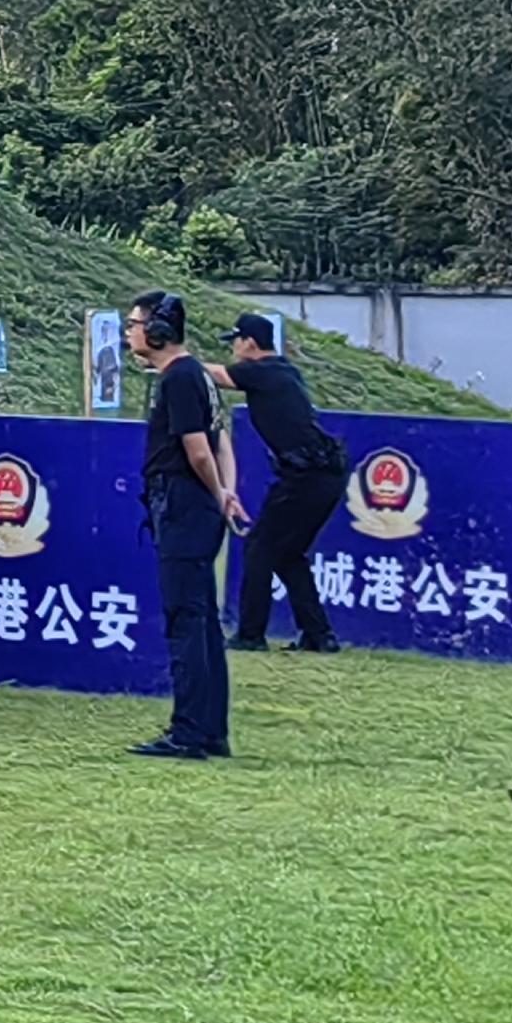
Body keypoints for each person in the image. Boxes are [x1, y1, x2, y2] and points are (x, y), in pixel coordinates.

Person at [127, 291, 247, 758]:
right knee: (202, 620)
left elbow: (198, 450)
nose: (131, 332)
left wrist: (218, 493)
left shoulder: (177, 379)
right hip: (197, 505)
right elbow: (222, 446)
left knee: (186, 619)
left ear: (156, 330)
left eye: (135, 324)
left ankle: (190, 731)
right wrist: (226, 493)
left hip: (181, 503)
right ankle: (209, 728)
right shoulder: (200, 375)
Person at [221, 314, 349, 652]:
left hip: (305, 476)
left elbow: (213, 375)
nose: (233, 349)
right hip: (325, 474)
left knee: (260, 547)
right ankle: (319, 635)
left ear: (249, 342)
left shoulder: (258, 371)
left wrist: (171, 358)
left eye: (235, 341)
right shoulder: (284, 370)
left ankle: (250, 635)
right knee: (288, 555)